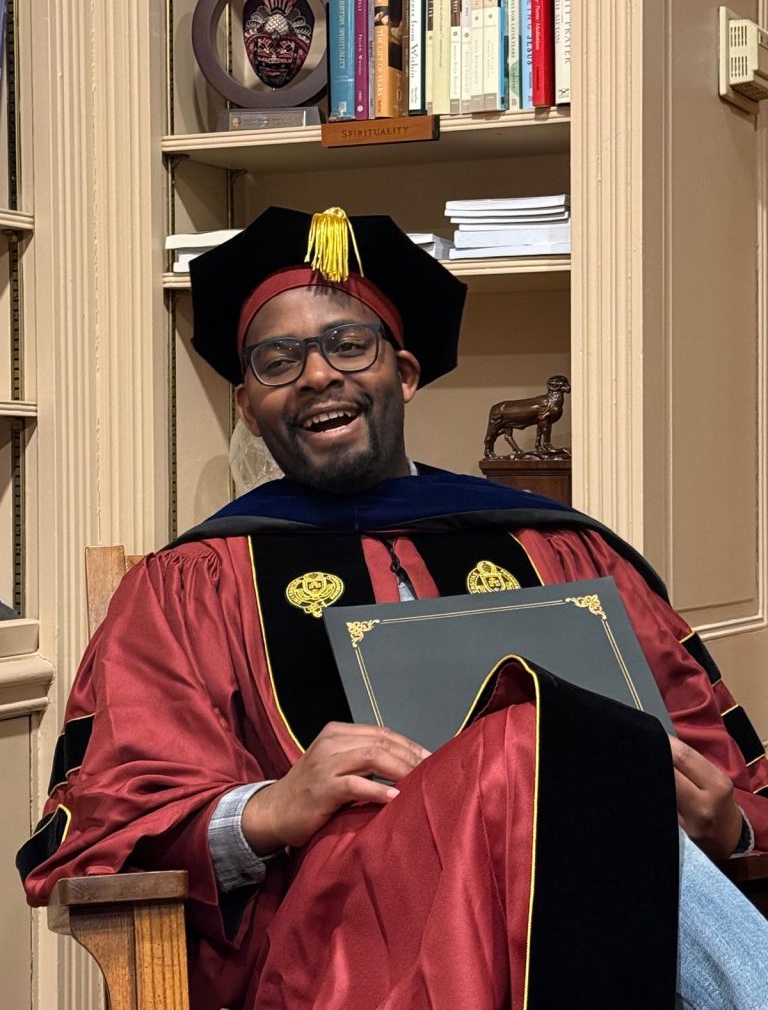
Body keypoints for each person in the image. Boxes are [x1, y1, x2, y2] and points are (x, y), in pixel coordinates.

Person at [18, 206, 768, 1009]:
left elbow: (723, 774)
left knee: (541, 760)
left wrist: (731, 827)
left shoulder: (565, 549)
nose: (316, 375)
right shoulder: (192, 584)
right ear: (247, 407)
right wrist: (268, 809)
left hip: (596, 916)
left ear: (403, 374)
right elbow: (114, 818)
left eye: (349, 345)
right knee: (528, 743)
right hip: (345, 941)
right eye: (277, 361)